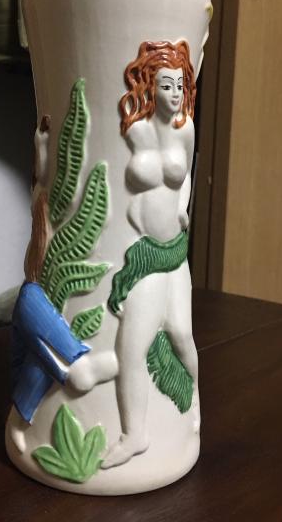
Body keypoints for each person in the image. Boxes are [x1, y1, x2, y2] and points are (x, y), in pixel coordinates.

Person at [102, 40, 200, 468]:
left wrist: (183, 206)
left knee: (181, 334)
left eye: (180, 85)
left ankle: (192, 404)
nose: (175, 94)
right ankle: (134, 434)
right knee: (132, 347)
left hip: (173, 252)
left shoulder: (185, 127)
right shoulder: (135, 129)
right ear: (149, 86)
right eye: (166, 86)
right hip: (143, 257)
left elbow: (187, 173)